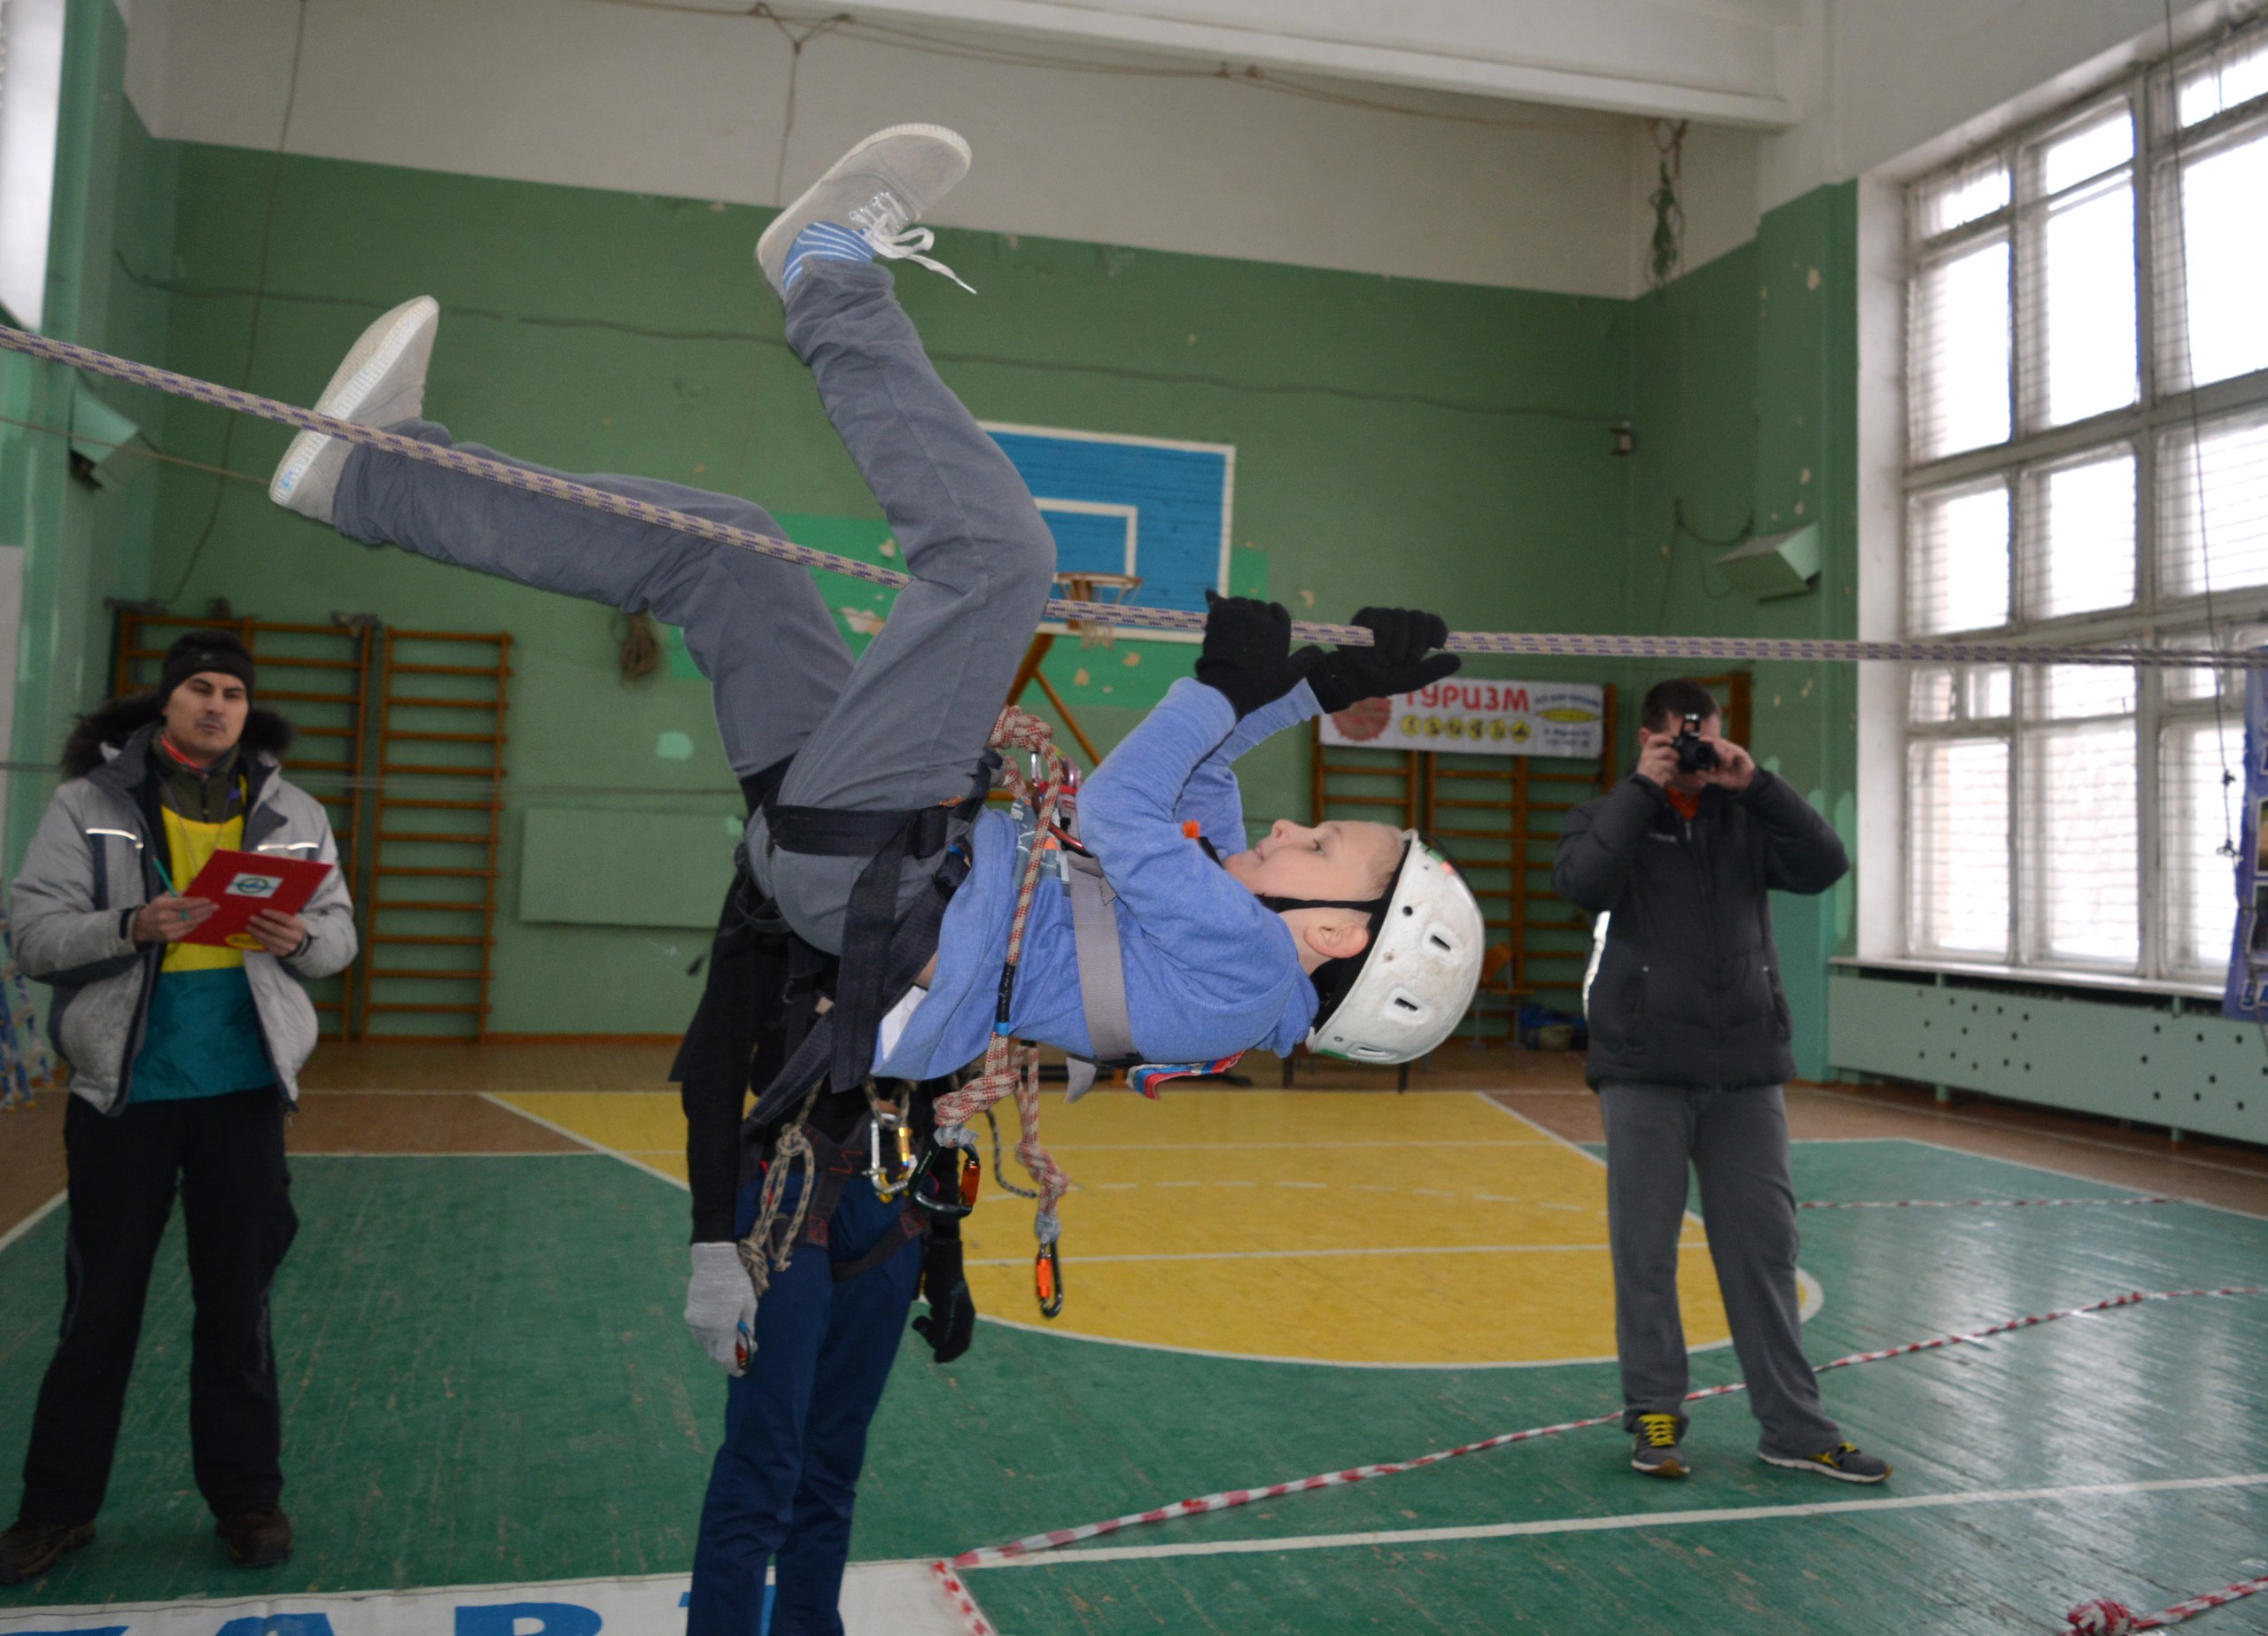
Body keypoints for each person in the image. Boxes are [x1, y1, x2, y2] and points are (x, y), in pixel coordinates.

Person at [258, 124, 1486, 1634]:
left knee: (996, 556)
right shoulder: (1242, 933)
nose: (1295, 830)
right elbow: (1197, 791)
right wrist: (1319, 681)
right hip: (868, 853)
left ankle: (828, 273)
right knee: (729, 552)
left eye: (1327, 846)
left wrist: (1227, 686)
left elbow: (1123, 802)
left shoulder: (1240, 978)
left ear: (1335, 934)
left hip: (881, 884)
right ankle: (375, 480)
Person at [0, 632, 359, 1584]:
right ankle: (56, 1509)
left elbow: (339, 937)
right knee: (98, 1312)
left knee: (238, 1309)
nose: (216, 704)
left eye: (233, 692)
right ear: (166, 701)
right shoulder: (88, 805)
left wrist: (297, 939)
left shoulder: (293, 812)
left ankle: (247, 1499)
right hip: (126, 1097)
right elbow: (33, 936)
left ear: (248, 708)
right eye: (200, 687)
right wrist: (130, 924)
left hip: (243, 1094)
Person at [1553, 678, 1887, 1486]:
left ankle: (1795, 1427)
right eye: (1681, 738)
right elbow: (1581, 885)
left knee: (1765, 1251)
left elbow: (1826, 863)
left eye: (1706, 737)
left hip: (1745, 1070)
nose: (1696, 752)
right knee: (1646, 1250)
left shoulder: (1746, 818)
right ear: (1648, 738)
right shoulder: (1605, 816)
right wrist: (1644, 789)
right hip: (1644, 1068)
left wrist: (1758, 783)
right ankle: (1654, 1412)